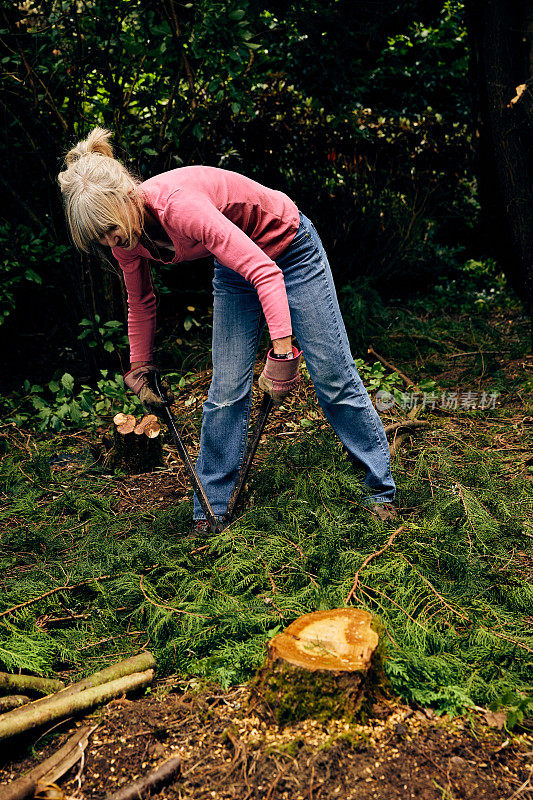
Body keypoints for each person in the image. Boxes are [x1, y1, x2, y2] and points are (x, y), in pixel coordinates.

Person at [58, 127, 397, 528]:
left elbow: (266, 273)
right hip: (236, 267)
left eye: (109, 228)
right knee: (225, 390)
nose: (110, 240)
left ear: (125, 199)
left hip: (291, 250)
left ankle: (380, 489)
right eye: (99, 237)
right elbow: (141, 300)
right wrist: (140, 365)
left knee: (332, 376)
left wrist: (283, 353)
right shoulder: (123, 239)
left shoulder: (180, 208)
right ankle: (212, 510)